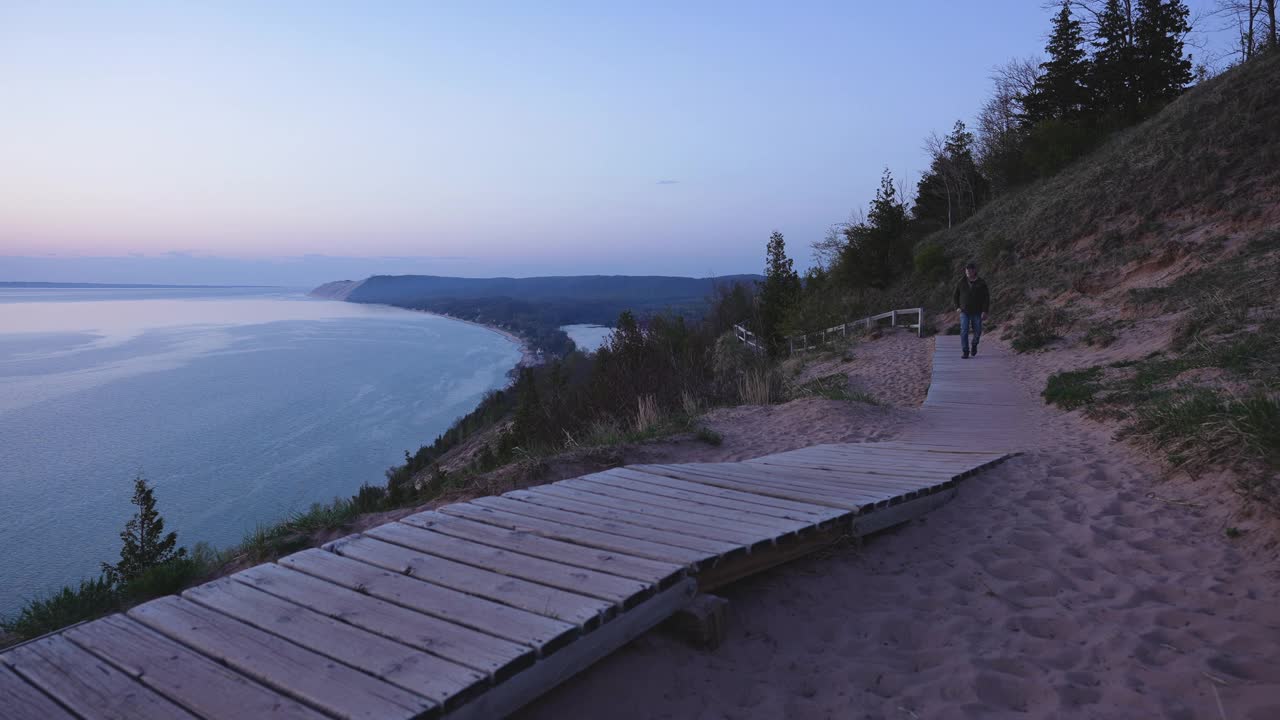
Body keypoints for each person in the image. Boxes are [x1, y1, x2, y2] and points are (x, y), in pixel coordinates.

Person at [953, 261, 990, 358]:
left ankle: (974, 344)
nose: (968, 271)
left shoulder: (981, 282)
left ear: (974, 271)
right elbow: (955, 296)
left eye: (970, 270)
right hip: (964, 311)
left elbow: (986, 297)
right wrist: (957, 307)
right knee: (964, 331)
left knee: (977, 331)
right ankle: (965, 351)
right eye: (966, 270)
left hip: (977, 311)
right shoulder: (961, 282)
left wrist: (985, 311)